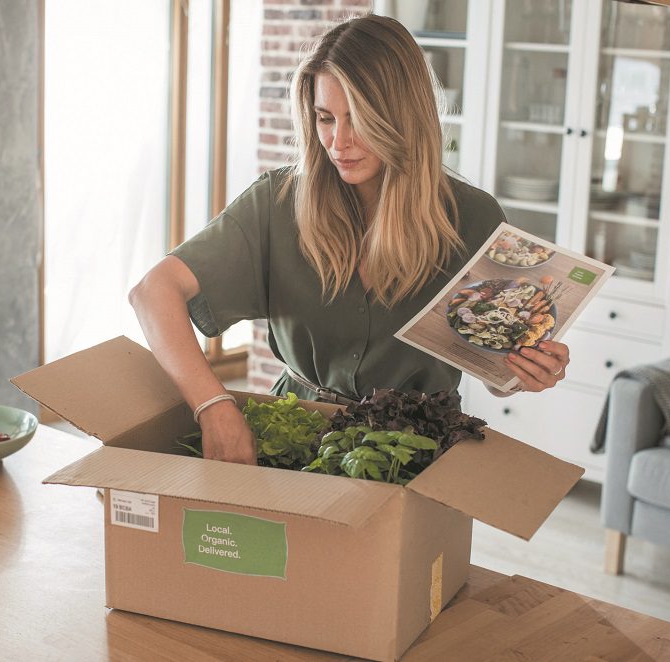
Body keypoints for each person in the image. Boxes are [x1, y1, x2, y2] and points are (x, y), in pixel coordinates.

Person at [129, 14, 570, 465]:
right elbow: (152, 293)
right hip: (296, 435)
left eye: (357, 119)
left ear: (401, 117)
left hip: (418, 452)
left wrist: (520, 373)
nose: (338, 141)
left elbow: (493, 368)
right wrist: (213, 406)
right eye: (325, 118)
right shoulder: (277, 203)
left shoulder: (472, 217)